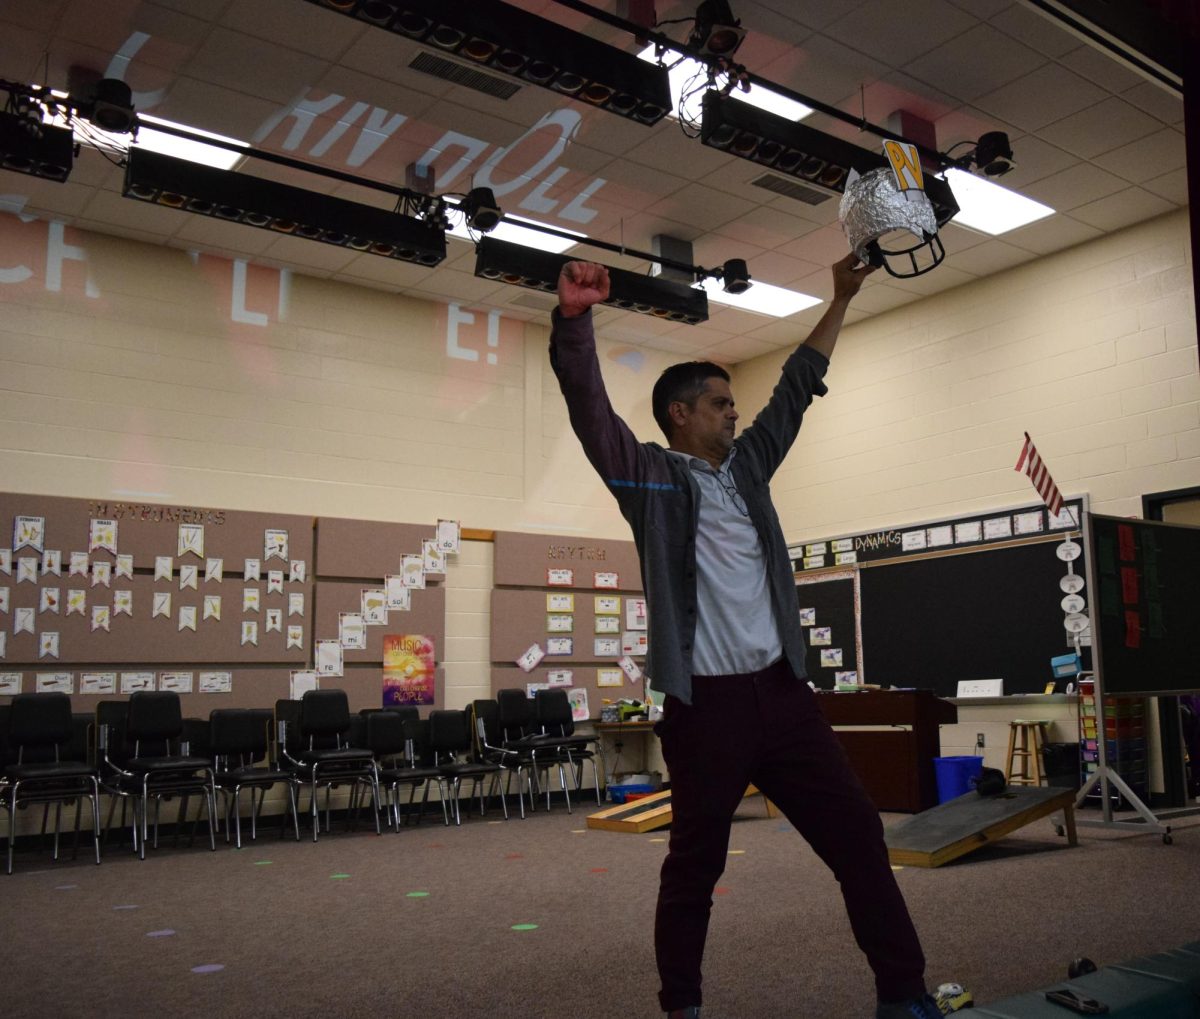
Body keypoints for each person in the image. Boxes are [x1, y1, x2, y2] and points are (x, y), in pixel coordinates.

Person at [550, 254, 942, 1019]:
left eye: (734, 404)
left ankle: (904, 991)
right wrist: (575, 322)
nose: (736, 413)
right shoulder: (650, 480)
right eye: (721, 403)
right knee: (694, 863)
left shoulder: (751, 469)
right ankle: (683, 1007)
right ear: (680, 415)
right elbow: (589, 408)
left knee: (859, 835)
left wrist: (842, 295)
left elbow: (798, 386)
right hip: (708, 708)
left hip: (784, 696)